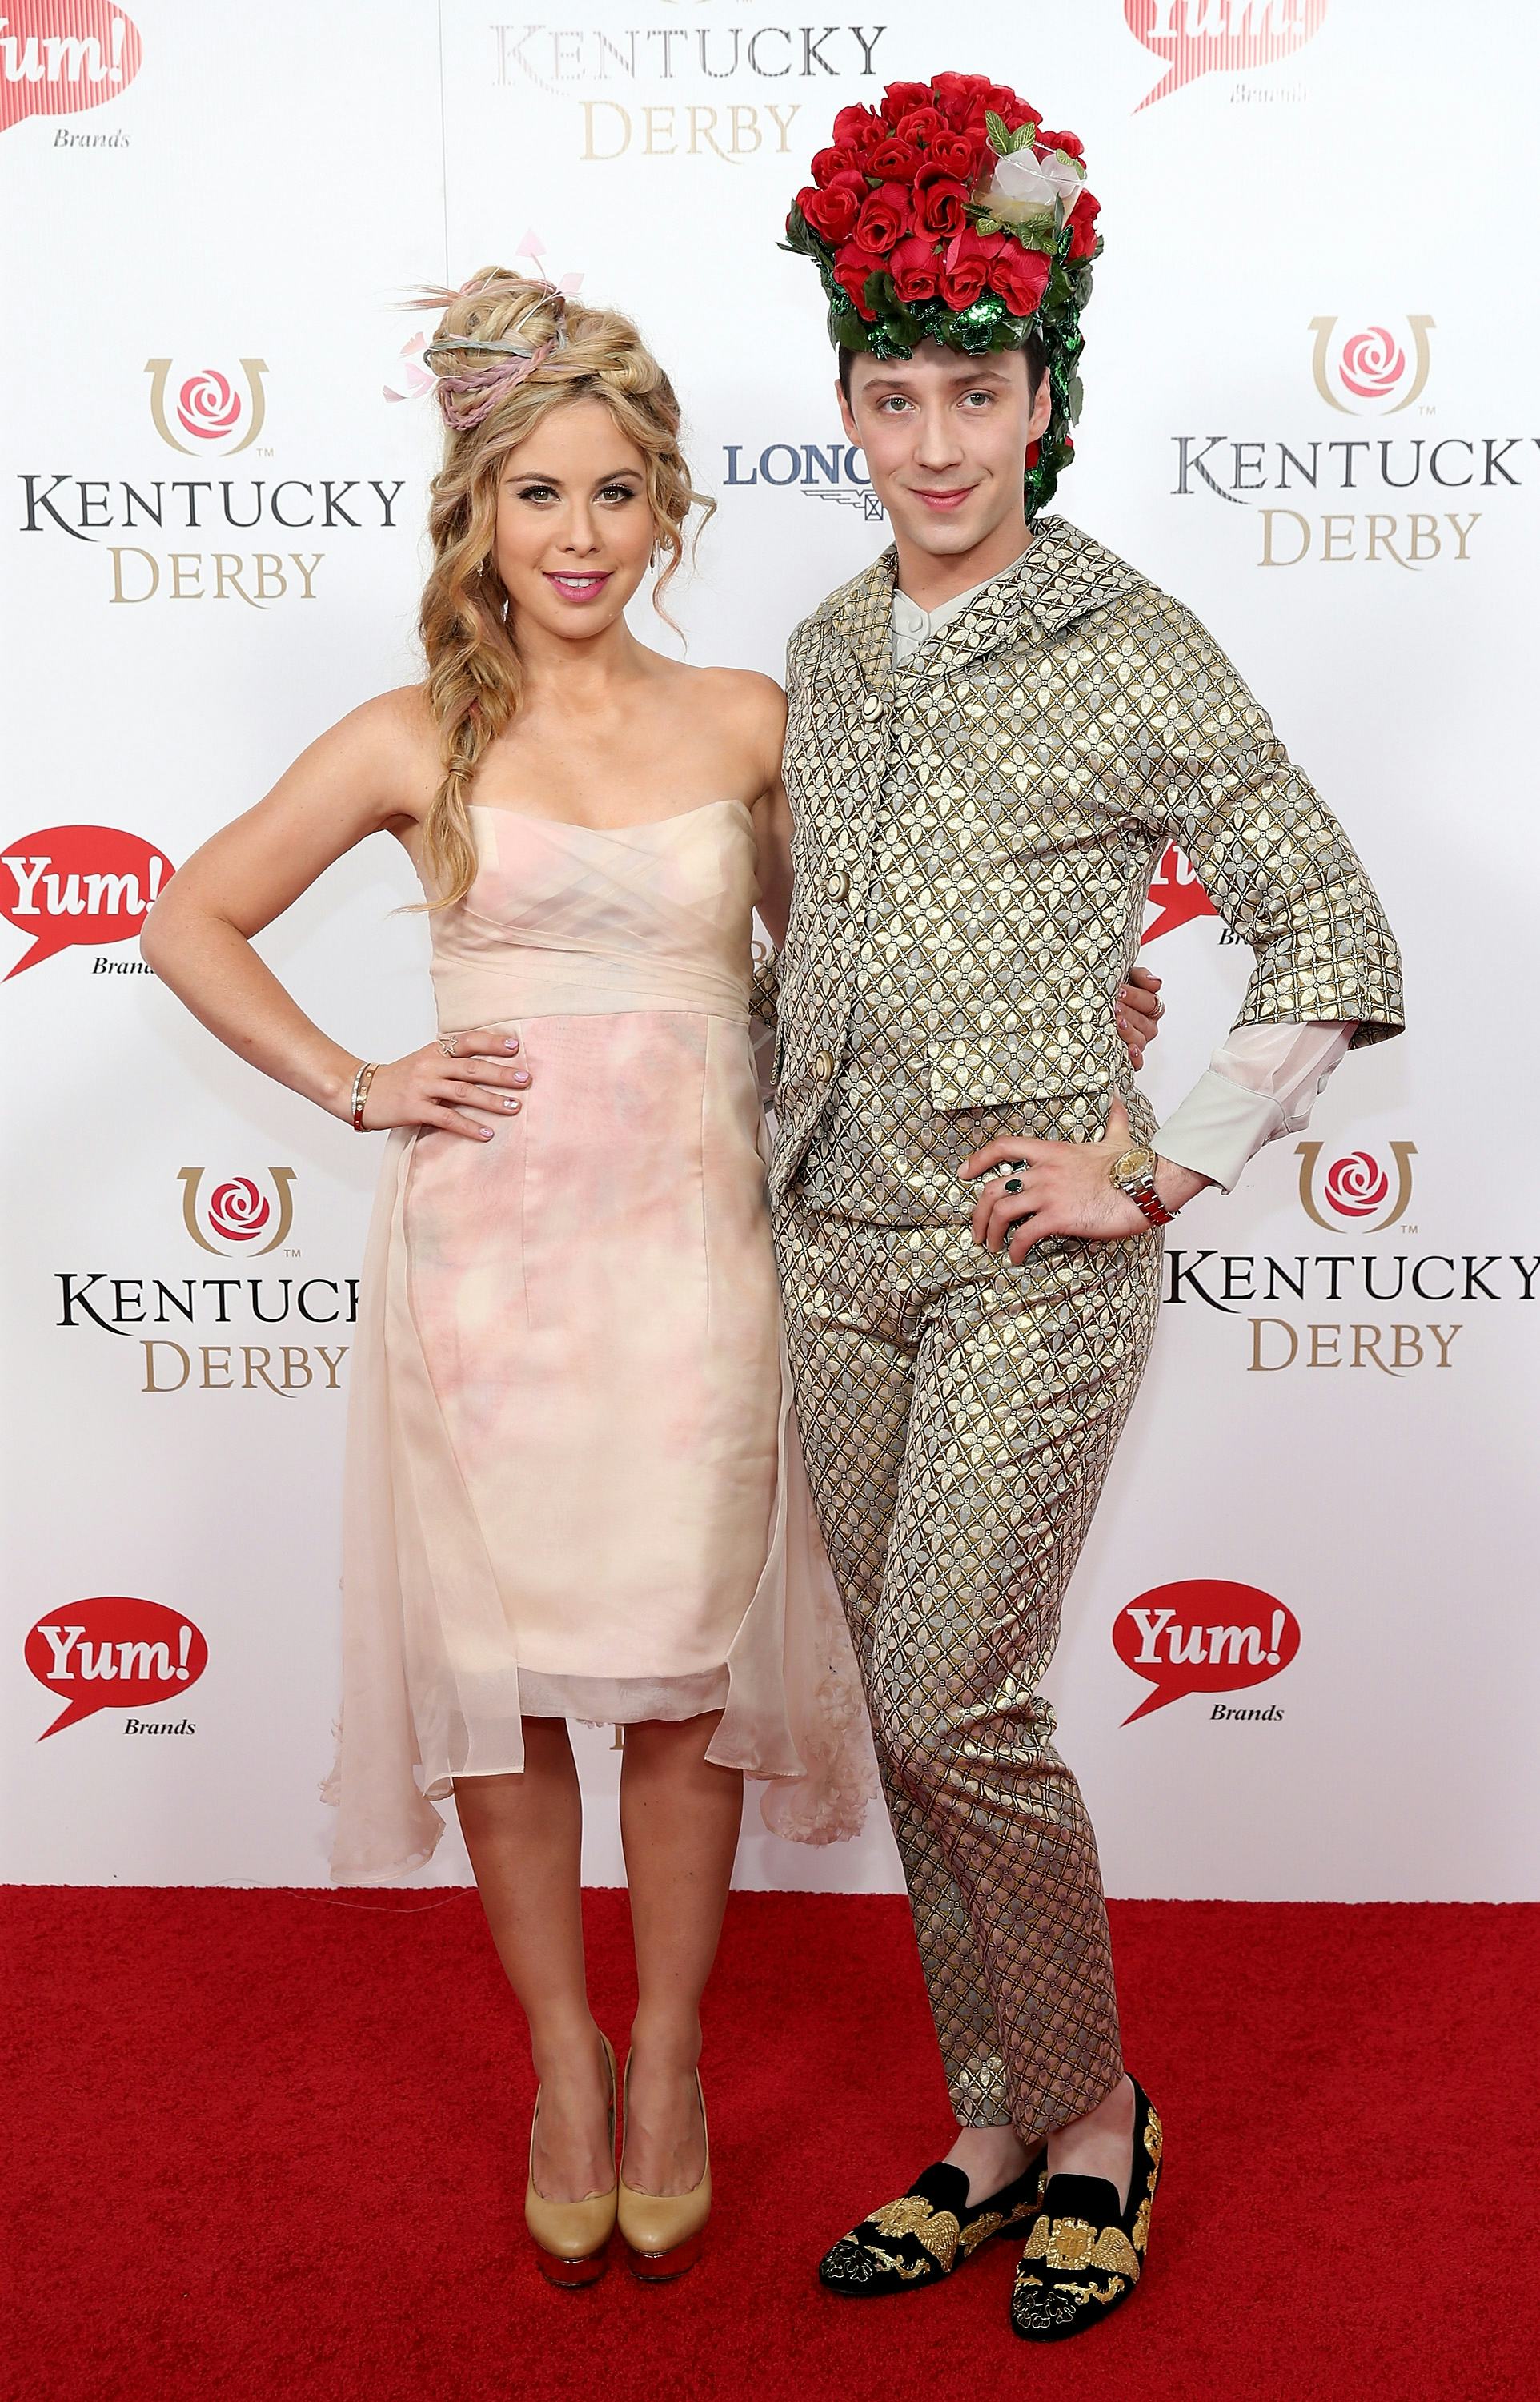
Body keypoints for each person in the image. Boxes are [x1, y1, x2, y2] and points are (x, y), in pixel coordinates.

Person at [134, 272, 914, 2289]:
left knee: (677, 1687)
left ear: (667, 508)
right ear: (475, 509)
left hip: (695, 1264)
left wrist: (1048, 1013)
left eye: (616, 492)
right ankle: (564, 2066)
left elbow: (840, 974)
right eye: (538, 492)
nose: (578, 535)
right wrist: (356, 1080)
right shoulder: (415, 734)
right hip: (492, 1270)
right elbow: (186, 916)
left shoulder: (747, 721)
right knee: (501, 1697)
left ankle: (669, 2066)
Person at [772, 71, 1404, 2340]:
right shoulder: (826, 648)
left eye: (978, 392)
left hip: (1021, 1250)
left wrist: (1155, 1164)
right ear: (849, 409)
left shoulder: (1126, 636)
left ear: (1042, 399)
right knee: (906, 1711)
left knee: (958, 1702)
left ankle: (1101, 2116)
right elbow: (827, 936)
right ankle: (993, 2119)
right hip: (824, 1249)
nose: (935, 442)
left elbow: (1326, 926)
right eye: (894, 396)